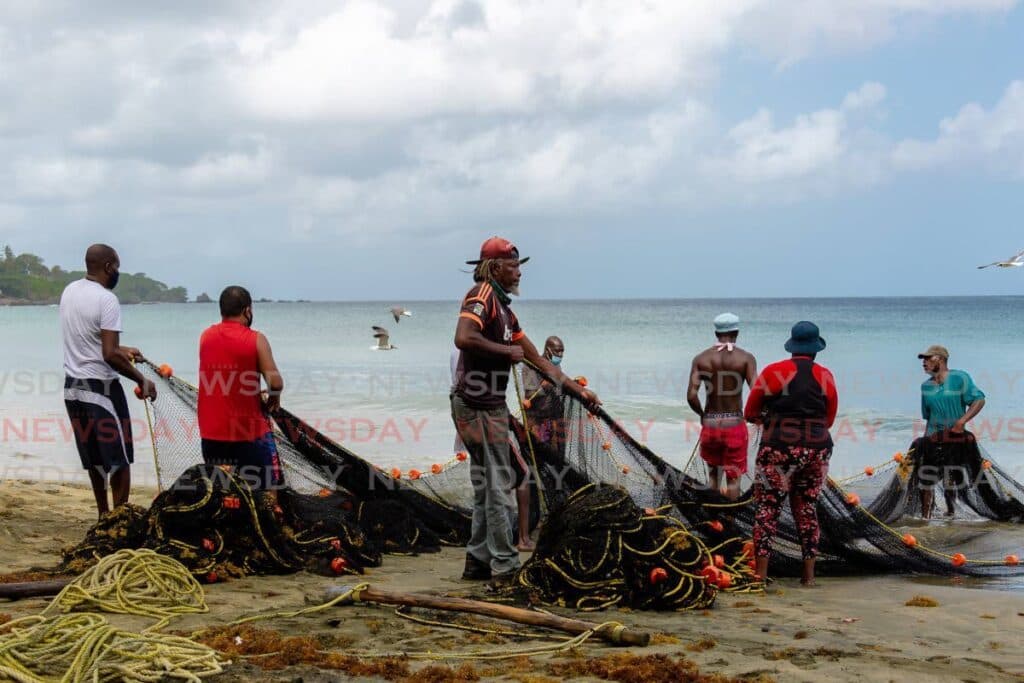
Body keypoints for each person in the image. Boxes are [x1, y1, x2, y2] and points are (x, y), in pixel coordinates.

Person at [452, 237, 599, 585]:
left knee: (487, 485)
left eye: (519, 265)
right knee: (501, 485)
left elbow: (538, 360)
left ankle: (477, 562)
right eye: (514, 265)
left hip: (489, 407)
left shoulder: (505, 310)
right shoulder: (482, 297)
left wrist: (580, 391)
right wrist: (505, 353)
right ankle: (504, 568)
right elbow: (463, 337)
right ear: (494, 268)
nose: (519, 272)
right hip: (476, 407)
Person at [60, 244, 156, 519]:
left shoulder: (70, 291)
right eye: (117, 267)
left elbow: (90, 340)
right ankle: (120, 518)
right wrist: (142, 379)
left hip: (73, 389)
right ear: (108, 267)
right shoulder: (107, 300)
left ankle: (104, 516)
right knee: (120, 459)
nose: (118, 273)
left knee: (95, 460)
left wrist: (123, 349)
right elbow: (108, 354)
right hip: (100, 388)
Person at [744, 321, 838, 586]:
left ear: (792, 347)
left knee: (768, 508)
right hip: (818, 449)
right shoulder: (826, 375)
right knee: (806, 508)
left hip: (778, 448)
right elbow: (828, 419)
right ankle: (808, 577)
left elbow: (750, 412)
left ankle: (760, 576)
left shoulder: (773, 372)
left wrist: (770, 418)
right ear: (816, 350)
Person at [198, 286, 284, 494]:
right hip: (249, 434)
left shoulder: (205, 336)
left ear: (222, 311)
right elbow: (276, 382)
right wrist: (273, 398)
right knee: (268, 490)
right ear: (248, 310)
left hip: (211, 436)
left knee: (225, 493)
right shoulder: (256, 339)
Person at [451, 345, 534, 551]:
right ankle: (516, 545)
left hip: (466, 416)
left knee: (484, 486)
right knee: (516, 477)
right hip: (485, 418)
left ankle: (478, 554)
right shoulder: (477, 349)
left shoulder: (458, 352)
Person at [687, 313, 757, 500]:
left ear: (716, 333)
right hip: (734, 424)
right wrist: (757, 415)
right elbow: (758, 392)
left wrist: (702, 414)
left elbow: (691, 396)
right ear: (736, 332)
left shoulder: (701, 359)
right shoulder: (746, 358)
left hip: (711, 424)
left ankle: (714, 519)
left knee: (713, 477)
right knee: (733, 480)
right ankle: (730, 520)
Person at [913, 345, 985, 519]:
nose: (924, 362)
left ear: (941, 359)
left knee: (950, 479)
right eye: (923, 359)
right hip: (931, 438)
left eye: (928, 358)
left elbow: (979, 400)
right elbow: (927, 415)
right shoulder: (925, 387)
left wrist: (961, 421)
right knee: (926, 479)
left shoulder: (960, 378)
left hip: (955, 438)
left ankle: (950, 515)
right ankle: (925, 518)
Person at [519, 336, 566, 446]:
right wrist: (545, 386)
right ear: (547, 350)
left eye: (562, 352)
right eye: (557, 351)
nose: (560, 355)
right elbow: (530, 394)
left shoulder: (557, 366)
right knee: (538, 449)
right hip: (536, 419)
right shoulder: (530, 366)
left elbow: (558, 390)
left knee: (553, 451)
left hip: (551, 417)